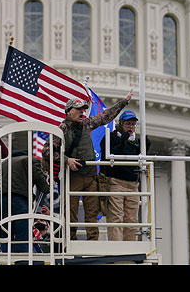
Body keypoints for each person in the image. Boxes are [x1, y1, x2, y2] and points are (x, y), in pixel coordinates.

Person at [43, 89, 132, 241]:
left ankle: (92, 243)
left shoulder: (86, 124)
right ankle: (70, 243)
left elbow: (105, 117)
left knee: (92, 213)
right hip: (73, 178)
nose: (82, 112)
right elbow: (46, 151)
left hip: (91, 177)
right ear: (68, 112)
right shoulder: (62, 129)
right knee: (70, 213)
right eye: (78, 109)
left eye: (83, 109)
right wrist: (66, 160)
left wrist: (124, 101)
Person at [99, 110, 151, 241]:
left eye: (133, 124)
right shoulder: (111, 138)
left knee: (131, 219)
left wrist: (145, 144)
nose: (131, 127)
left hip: (133, 185)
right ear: (121, 124)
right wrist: (122, 141)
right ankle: (117, 248)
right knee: (116, 217)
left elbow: (138, 156)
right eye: (128, 124)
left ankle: (130, 248)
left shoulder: (134, 143)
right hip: (116, 182)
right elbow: (108, 157)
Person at [0, 150, 50, 253]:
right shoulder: (30, 160)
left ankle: (4, 259)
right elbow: (41, 182)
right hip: (20, 199)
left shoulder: (4, 162)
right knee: (22, 234)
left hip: (2, 200)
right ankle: (22, 259)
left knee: (5, 233)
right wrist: (46, 186)